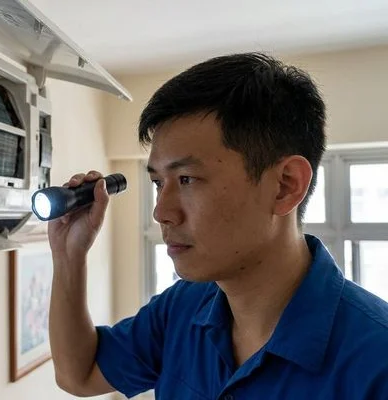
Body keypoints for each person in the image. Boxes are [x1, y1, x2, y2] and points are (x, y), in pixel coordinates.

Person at [48, 53, 388, 399]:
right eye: (157, 183)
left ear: (285, 186)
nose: (161, 213)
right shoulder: (185, 307)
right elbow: (80, 374)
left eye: (187, 179)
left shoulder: (376, 361)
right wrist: (68, 255)